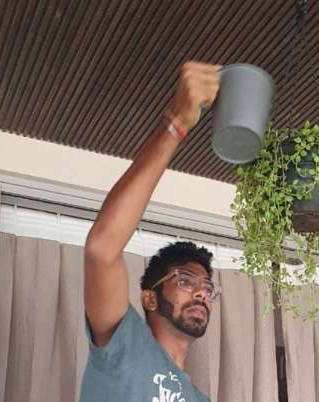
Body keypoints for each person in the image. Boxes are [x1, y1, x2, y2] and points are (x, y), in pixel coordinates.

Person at [79, 62, 221, 402]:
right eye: (185, 281)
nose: (201, 294)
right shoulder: (125, 345)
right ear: (149, 297)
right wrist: (176, 126)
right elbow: (102, 249)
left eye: (206, 287)